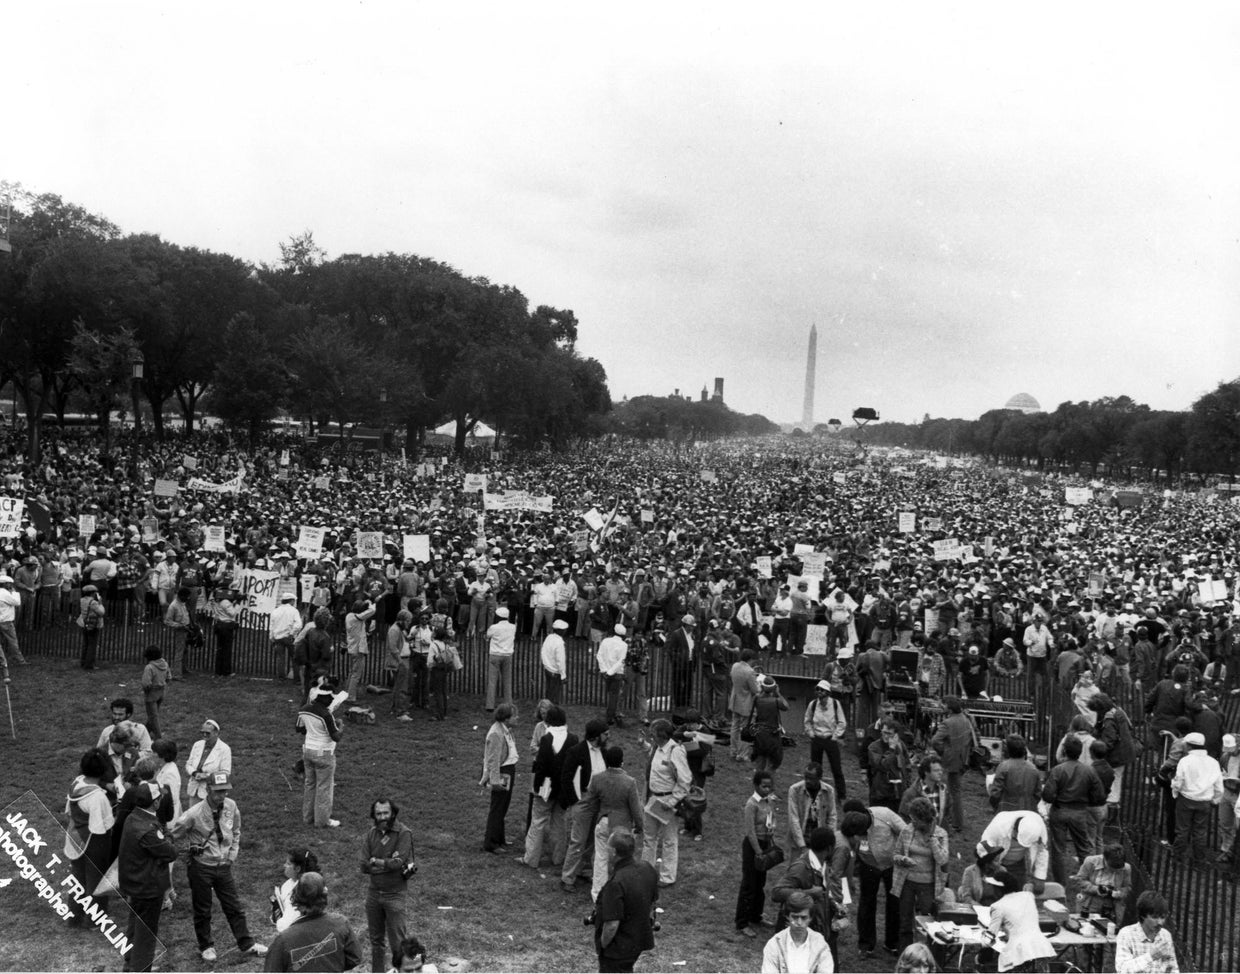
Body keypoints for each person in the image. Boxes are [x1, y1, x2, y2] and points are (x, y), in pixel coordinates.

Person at [170, 771, 268, 961]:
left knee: (234, 906)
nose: (221, 795)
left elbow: (236, 830)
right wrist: (190, 849)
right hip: (201, 867)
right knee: (202, 908)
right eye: (217, 791)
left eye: (225, 791)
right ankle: (206, 946)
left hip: (223, 866)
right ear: (207, 790)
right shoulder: (194, 813)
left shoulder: (231, 806)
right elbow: (174, 835)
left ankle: (246, 943)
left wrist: (232, 854)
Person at [117, 780, 177, 973]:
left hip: (133, 883)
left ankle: (131, 961)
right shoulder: (149, 829)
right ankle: (141, 967)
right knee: (147, 932)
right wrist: (167, 836)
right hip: (147, 887)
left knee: (135, 924)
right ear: (156, 803)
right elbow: (170, 852)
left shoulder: (133, 817)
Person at [580, 744, 645, 901]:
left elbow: (589, 801)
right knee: (623, 861)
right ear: (622, 762)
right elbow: (636, 809)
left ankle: (597, 894)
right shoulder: (629, 782)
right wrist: (640, 826)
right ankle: (621, 893)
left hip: (602, 821)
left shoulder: (597, 779)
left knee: (600, 859)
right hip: (621, 826)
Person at [841, 801, 905, 958]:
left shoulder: (885, 814)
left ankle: (893, 943)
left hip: (892, 865)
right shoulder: (853, 825)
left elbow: (906, 832)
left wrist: (902, 856)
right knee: (867, 903)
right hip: (868, 865)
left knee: (894, 903)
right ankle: (865, 945)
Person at [264, 872, 362, 973]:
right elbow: (354, 958)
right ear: (325, 894)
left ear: (295, 897)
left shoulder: (283, 940)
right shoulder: (341, 923)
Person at [360, 798, 416, 973]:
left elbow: (398, 863)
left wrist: (376, 862)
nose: (382, 816)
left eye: (386, 812)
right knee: (376, 941)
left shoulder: (404, 833)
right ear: (374, 815)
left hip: (395, 894)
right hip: (374, 893)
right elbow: (363, 865)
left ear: (393, 813)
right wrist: (387, 864)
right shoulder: (371, 834)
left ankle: (403, 971)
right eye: (378, 813)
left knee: (398, 941)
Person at [1042, 734, 1106, 885]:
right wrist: (1085, 801)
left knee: (1058, 849)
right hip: (1079, 812)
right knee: (1084, 848)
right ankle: (1089, 882)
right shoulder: (1089, 771)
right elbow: (1100, 797)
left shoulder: (1058, 770)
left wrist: (1057, 797)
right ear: (1080, 751)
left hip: (1059, 811)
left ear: (1064, 751)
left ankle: (1060, 884)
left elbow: (1047, 795)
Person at [593, 828, 659, 973]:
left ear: (614, 852)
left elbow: (611, 924)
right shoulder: (647, 868)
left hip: (618, 947)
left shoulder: (616, 883)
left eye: (608, 847)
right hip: (638, 939)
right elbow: (652, 902)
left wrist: (603, 945)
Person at [63, 748, 116, 927]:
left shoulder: (76, 783)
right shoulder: (97, 796)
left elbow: (69, 810)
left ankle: (74, 915)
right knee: (97, 879)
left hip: (75, 836)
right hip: (95, 840)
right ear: (103, 771)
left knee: (77, 876)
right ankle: (95, 919)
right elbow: (103, 825)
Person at [892, 796, 949, 951]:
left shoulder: (941, 834)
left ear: (926, 819)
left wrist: (932, 839)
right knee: (905, 920)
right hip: (907, 882)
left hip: (928, 885)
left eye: (916, 819)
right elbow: (895, 854)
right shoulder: (907, 830)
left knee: (929, 921)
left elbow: (943, 859)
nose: (913, 822)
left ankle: (929, 953)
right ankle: (906, 952)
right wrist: (902, 859)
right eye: (912, 819)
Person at [521, 704, 575, 868]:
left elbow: (541, 766)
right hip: (563, 788)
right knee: (560, 823)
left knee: (538, 821)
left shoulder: (546, 739)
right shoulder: (572, 739)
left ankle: (531, 859)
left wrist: (536, 788)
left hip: (546, 785)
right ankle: (558, 858)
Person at [562, 718, 609, 892]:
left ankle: (584, 870)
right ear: (596, 735)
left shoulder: (603, 752)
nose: (608, 736)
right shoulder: (576, 751)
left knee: (591, 839)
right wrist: (575, 801)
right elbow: (566, 777)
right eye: (605, 733)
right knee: (578, 839)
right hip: (583, 798)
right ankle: (568, 877)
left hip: (598, 800)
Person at [736, 769, 779, 939]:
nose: (767, 789)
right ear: (756, 785)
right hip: (753, 847)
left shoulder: (768, 801)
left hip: (765, 843)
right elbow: (750, 831)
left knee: (760, 883)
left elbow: (771, 819)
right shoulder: (751, 804)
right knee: (749, 884)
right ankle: (742, 922)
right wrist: (758, 852)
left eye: (769, 786)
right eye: (764, 786)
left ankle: (756, 916)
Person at [986, 869, 1056, 973]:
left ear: (999, 889)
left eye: (994, 887)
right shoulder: (1028, 896)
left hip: (1019, 955)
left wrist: (982, 946)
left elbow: (990, 936)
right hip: (1040, 949)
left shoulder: (997, 906)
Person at [1170, 730, 1223, 864]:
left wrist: (1175, 791)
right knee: (1200, 831)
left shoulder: (1185, 761)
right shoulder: (1213, 762)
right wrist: (1215, 799)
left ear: (1189, 746)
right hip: (1204, 801)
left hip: (1186, 798)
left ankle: (1177, 858)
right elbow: (1218, 785)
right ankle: (1199, 860)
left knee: (1182, 829)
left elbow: (1179, 781)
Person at [298, 686, 343, 828]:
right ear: (324, 698)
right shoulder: (326, 714)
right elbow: (336, 737)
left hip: (308, 751)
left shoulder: (304, 709)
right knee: (324, 787)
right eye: (330, 698)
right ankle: (322, 821)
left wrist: (313, 729)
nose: (331, 700)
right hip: (323, 754)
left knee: (310, 784)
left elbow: (299, 728)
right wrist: (341, 726)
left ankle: (308, 817)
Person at [975, 810, 1049, 894]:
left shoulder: (1039, 827)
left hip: (1019, 863)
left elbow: (1042, 851)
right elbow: (983, 848)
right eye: (1016, 839)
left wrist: (1040, 876)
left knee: (1018, 893)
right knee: (993, 892)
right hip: (996, 862)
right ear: (1015, 829)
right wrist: (993, 865)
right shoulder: (998, 825)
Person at [761, 890, 834, 973]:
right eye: (795, 917)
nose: (799, 923)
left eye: (804, 918)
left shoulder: (820, 944)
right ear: (787, 916)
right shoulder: (774, 944)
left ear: (810, 918)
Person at [928, 696, 972, 833]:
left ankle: (955, 822)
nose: (941, 707)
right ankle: (956, 821)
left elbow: (934, 741)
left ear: (949, 707)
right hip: (963, 759)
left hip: (951, 761)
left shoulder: (947, 723)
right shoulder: (965, 718)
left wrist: (942, 752)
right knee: (956, 790)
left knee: (951, 791)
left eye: (943, 704)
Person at [481, 702, 519, 853]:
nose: (517, 718)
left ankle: (500, 838)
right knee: (497, 807)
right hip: (502, 771)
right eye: (514, 716)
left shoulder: (505, 730)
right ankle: (491, 843)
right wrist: (495, 781)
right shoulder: (496, 733)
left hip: (508, 770)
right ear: (506, 718)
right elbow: (493, 759)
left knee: (503, 806)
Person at [803, 679, 848, 800]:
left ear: (827, 692)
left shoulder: (835, 704)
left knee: (836, 768)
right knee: (815, 769)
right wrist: (811, 733)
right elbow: (807, 720)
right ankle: (815, 793)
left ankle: (841, 796)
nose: (819, 692)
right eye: (817, 689)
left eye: (822, 690)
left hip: (830, 739)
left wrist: (835, 736)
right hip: (817, 739)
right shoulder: (812, 704)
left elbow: (842, 722)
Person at [1115, 889, 1179, 973]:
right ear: (1143, 916)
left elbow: (1173, 969)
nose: (1160, 922)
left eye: (1162, 917)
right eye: (1154, 917)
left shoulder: (1165, 936)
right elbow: (1122, 969)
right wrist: (1150, 956)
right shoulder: (1126, 934)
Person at [787, 763, 838, 856]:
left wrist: (830, 840)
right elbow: (793, 819)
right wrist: (802, 846)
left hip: (819, 840)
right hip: (800, 839)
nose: (807, 781)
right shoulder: (795, 790)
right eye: (806, 777)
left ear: (819, 778)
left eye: (811, 778)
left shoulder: (829, 791)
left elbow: (832, 817)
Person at [987, 735, 1042, 812]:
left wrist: (996, 808)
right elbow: (1038, 794)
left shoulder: (1003, 767)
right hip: (1029, 811)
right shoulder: (1033, 769)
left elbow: (995, 793)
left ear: (1008, 750)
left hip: (1006, 810)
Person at [271, 848, 319, 933]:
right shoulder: (288, 884)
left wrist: (278, 920)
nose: (284, 865)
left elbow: (284, 927)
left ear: (297, 869)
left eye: (288, 863)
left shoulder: (301, 893)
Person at [184, 718, 232, 802]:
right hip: (194, 790)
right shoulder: (197, 745)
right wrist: (195, 773)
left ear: (216, 733)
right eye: (202, 732)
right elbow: (188, 764)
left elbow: (226, 774)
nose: (204, 735)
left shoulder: (224, 749)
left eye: (208, 733)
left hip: (211, 792)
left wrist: (207, 776)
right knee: (193, 814)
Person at [867, 719, 910, 812]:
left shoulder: (901, 745)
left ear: (896, 735)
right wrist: (891, 749)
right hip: (881, 794)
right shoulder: (873, 747)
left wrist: (907, 784)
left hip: (898, 792)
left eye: (889, 734)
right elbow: (883, 765)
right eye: (884, 732)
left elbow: (907, 765)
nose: (886, 736)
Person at [730, 649, 763, 762]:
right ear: (750, 659)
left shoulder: (734, 666)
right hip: (746, 703)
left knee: (734, 727)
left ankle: (733, 751)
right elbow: (754, 690)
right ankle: (742, 754)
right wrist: (759, 684)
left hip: (735, 700)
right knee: (745, 729)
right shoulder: (749, 671)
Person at [752, 675, 790, 773]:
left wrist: (762, 689)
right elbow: (786, 706)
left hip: (759, 734)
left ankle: (758, 783)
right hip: (772, 735)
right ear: (774, 687)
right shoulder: (776, 701)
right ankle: (767, 780)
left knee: (760, 762)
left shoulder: (757, 699)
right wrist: (778, 693)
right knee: (773, 762)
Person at [344, 598, 377, 703]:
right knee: (356, 674)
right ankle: (351, 697)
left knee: (352, 672)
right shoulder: (357, 617)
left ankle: (346, 693)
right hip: (358, 649)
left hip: (352, 647)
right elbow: (372, 611)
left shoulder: (349, 616)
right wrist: (371, 603)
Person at [485, 606, 516, 711]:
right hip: (507, 655)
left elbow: (487, 636)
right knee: (507, 680)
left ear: (498, 617)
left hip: (495, 654)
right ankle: (508, 703)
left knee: (492, 680)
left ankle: (490, 705)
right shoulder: (513, 627)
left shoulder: (494, 627)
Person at [598, 624, 629, 726]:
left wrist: (604, 670)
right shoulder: (624, 645)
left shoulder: (605, 641)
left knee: (610, 694)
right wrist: (611, 672)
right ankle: (610, 717)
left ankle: (611, 714)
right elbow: (621, 661)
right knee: (614, 696)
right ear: (623, 635)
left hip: (605, 671)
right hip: (617, 673)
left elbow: (599, 656)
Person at [210, 587, 242, 677]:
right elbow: (232, 613)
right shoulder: (226, 602)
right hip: (226, 626)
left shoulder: (218, 601)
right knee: (227, 650)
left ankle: (218, 671)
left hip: (219, 625)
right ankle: (226, 671)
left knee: (220, 649)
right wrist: (238, 603)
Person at [0, 573, 30, 666]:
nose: (11, 585)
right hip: (6, 621)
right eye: (9, 583)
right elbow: (17, 602)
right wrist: (14, 592)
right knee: (12, 641)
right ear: (5, 584)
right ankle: (20, 660)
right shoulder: (4, 593)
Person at [163, 586, 192, 679]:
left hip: (186, 629)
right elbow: (167, 621)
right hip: (180, 631)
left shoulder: (183, 603)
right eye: (186, 597)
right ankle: (176, 674)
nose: (188, 599)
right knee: (179, 652)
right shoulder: (173, 606)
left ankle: (184, 669)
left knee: (185, 651)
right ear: (181, 596)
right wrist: (179, 625)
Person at [140, 646, 169, 741]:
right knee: (153, 714)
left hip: (151, 694)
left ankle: (158, 736)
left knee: (153, 716)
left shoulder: (149, 667)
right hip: (161, 692)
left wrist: (147, 690)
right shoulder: (165, 664)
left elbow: (146, 683)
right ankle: (145, 732)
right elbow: (169, 677)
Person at [77, 582, 106, 669]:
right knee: (92, 645)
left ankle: (83, 662)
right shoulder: (93, 602)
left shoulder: (82, 600)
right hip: (93, 625)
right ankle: (89, 664)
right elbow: (101, 612)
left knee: (85, 644)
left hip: (84, 623)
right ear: (93, 593)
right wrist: (100, 603)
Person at [542, 618, 569, 705]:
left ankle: (547, 706)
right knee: (554, 693)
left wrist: (546, 664)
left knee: (549, 690)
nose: (565, 631)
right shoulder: (559, 643)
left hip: (548, 669)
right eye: (564, 630)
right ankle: (550, 710)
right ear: (560, 631)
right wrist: (563, 675)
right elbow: (560, 660)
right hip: (555, 672)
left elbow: (543, 652)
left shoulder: (549, 637)